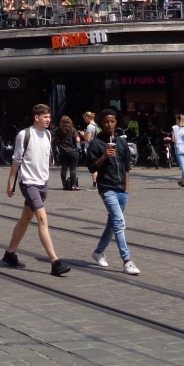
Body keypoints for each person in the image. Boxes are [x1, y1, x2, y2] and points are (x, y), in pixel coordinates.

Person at [2, 104, 69, 278]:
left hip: (42, 183)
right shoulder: (24, 135)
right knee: (42, 218)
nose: (48, 120)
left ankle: (10, 253)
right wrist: (11, 183)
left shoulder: (48, 135)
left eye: (49, 117)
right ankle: (55, 262)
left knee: (25, 219)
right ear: (36, 117)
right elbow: (16, 161)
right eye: (45, 117)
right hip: (28, 182)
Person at [91, 110, 139, 274]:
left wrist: (127, 189)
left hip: (121, 189)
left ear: (116, 122)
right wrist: (104, 156)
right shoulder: (97, 143)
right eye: (106, 122)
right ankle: (127, 261)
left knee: (112, 222)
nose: (109, 124)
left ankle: (98, 251)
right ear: (101, 124)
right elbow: (92, 166)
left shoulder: (121, 142)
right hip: (107, 187)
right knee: (119, 222)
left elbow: (126, 167)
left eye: (112, 121)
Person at [54, 116, 82, 190]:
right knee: (73, 169)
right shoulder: (73, 130)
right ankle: (73, 185)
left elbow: (55, 139)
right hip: (73, 151)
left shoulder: (59, 130)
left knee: (64, 168)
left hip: (63, 151)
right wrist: (79, 147)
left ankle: (64, 184)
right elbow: (77, 140)